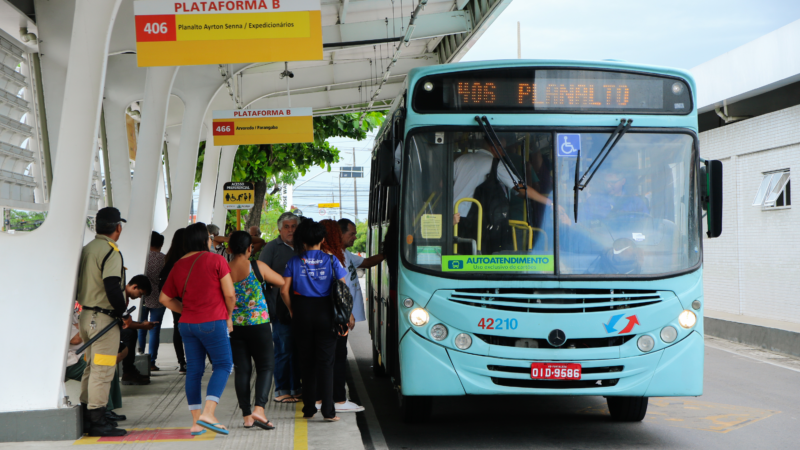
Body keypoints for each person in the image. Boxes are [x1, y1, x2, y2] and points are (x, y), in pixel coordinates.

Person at [159, 222, 236, 435]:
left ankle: (195, 423)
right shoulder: (216, 259)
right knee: (223, 364)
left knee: (194, 371)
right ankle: (209, 413)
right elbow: (229, 294)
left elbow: (164, 298)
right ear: (205, 240)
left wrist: (185, 311)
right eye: (210, 238)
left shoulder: (177, 265)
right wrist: (228, 316)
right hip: (213, 321)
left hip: (187, 325)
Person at [280, 219, 348, 422]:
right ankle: (329, 411)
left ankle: (309, 408)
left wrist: (293, 310)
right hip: (326, 313)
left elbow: (284, 290)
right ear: (322, 238)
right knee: (326, 362)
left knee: (306, 362)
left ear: (302, 239)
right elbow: (343, 289)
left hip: (302, 311)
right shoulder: (331, 259)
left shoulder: (294, 261)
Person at [75, 207, 130, 436]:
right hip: (103, 320)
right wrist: (122, 313)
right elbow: (112, 286)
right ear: (118, 227)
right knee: (103, 370)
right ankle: (98, 420)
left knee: (91, 367)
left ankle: (89, 416)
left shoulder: (88, 249)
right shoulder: (111, 252)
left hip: (87, 317)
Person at [227, 231, 285, 429]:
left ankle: (246, 417)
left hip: (234, 326)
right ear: (250, 248)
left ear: (229, 249)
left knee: (242, 370)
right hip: (258, 324)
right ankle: (259, 409)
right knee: (266, 367)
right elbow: (281, 281)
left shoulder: (223, 269)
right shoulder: (257, 266)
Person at [258, 212, 302, 403]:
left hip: (301, 308)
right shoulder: (271, 248)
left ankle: (296, 388)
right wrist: (281, 285)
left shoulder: (303, 247)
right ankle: (282, 389)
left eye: (294, 226)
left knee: (297, 349)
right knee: (283, 349)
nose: (291, 230)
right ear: (279, 229)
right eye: (287, 227)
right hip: (280, 309)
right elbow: (261, 276)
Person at [64, 305, 126, 426]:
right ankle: (102, 410)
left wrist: (83, 327)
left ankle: (109, 408)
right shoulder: (61, 316)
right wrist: (87, 327)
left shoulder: (74, 313)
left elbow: (82, 331)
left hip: (80, 353)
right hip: (71, 360)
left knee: (108, 367)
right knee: (99, 371)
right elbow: (76, 338)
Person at [159, 228, 188, 373]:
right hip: (187, 297)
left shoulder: (169, 257)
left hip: (173, 298)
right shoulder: (186, 258)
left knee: (177, 326)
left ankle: (182, 362)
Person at [119, 275, 156, 385]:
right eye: (141, 294)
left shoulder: (123, 296)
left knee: (130, 332)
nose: (140, 297)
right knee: (130, 333)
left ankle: (128, 371)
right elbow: (125, 324)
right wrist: (142, 325)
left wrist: (141, 324)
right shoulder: (120, 297)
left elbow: (124, 322)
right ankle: (128, 371)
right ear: (134, 287)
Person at [138, 231, 167, 371]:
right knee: (155, 330)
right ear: (161, 244)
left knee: (141, 328)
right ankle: (152, 362)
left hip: (142, 296)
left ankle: (140, 357)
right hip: (158, 297)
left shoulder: (142, 257)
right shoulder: (164, 259)